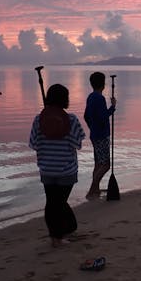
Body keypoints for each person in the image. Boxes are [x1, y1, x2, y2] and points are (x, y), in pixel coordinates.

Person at [29, 84, 86, 247]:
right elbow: (77, 144)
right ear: (65, 100)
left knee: (52, 202)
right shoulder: (72, 119)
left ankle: (56, 236)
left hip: (47, 169)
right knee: (59, 203)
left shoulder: (39, 119)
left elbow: (34, 144)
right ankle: (58, 237)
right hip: (66, 170)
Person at [83, 72, 117, 199]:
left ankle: (96, 190)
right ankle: (92, 189)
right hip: (102, 135)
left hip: (94, 134)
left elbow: (86, 116)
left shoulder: (91, 97)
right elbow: (103, 117)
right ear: (103, 84)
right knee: (106, 165)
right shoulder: (99, 98)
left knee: (98, 164)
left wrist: (92, 127)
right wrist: (112, 107)